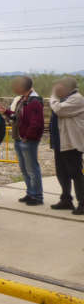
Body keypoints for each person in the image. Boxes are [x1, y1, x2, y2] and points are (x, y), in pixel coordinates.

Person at [0, 76, 44, 205]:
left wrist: (27, 137)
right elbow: (17, 117)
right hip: (20, 138)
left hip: (27, 140)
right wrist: (5, 111)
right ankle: (30, 193)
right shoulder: (23, 100)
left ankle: (37, 196)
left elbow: (36, 123)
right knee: (25, 168)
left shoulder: (34, 101)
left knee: (32, 169)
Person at [48, 77, 84, 214]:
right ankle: (66, 199)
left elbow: (59, 110)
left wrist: (53, 96)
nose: (57, 89)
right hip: (60, 143)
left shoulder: (77, 99)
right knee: (62, 173)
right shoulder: (64, 98)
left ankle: (82, 203)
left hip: (71, 143)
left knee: (75, 174)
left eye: (60, 87)